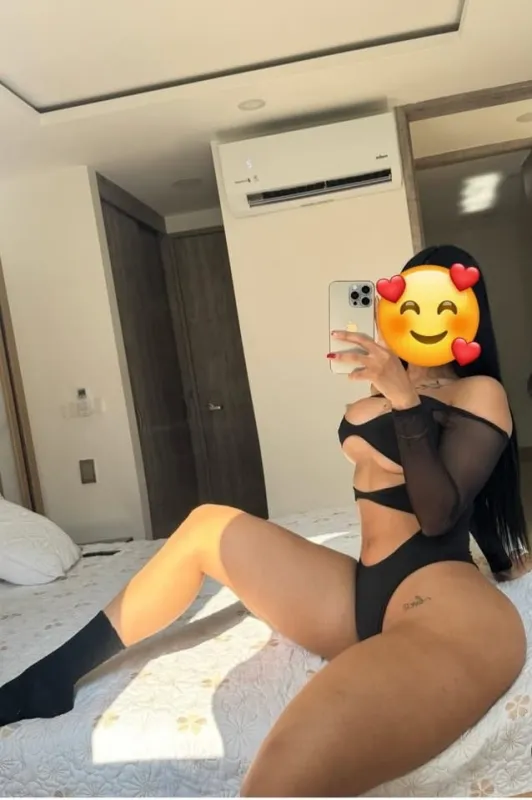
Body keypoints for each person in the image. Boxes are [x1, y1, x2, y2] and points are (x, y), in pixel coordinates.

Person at [0, 245, 530, 797]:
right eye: (411, 302)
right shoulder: (391, 384)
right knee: (208, 525)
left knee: (278, 778)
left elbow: (443, 512)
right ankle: (52, 678)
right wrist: (397, 386)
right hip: (364, 591)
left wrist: (403, 399)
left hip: (441, 604)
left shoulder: (479, 392)